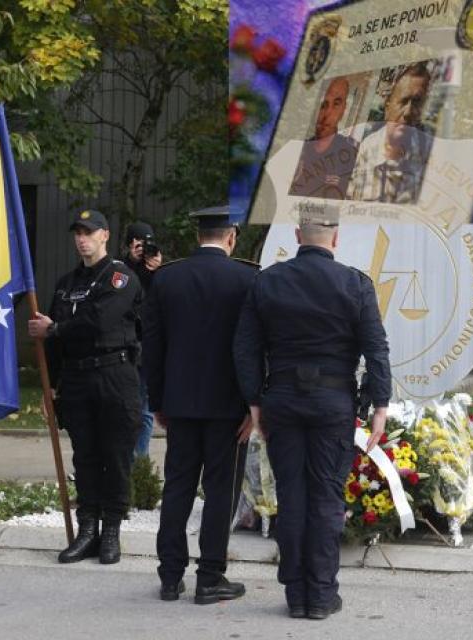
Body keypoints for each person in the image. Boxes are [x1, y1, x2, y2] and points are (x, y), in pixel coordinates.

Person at [233, 206, 391, 620]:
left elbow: (246, 348)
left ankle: (296, 593)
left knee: (291, 494)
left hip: (282, 400)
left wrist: (254, 402)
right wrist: (380, 405)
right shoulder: (355, 284)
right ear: (335, 238)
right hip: (332, 402)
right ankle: (320, 594)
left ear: (297, 236)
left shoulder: (268, 281)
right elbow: (376, 349)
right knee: (325, 496)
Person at [141, 206, 257, 604]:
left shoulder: (166, 278)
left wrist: (158, 400)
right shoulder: (248, 279)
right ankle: (210, 576)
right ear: (231, 237)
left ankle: (170, 576)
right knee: (220, 491)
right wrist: (253, 404)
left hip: (180, 404)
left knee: (178, 487)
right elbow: (254, 349)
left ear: (198, 236)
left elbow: (152, 346)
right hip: (229, 407)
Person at [28, 209, 142, 565]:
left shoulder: (120, 276)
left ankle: (111, 533)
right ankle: (87, 531)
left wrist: (56, 328)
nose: (82, 239)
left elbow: (100, 319)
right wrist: (50, 386)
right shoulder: (66, 284)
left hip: (114, 375)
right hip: (76, 380)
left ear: (105, 235)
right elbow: (53, 344)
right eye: (78, 233)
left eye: (89, 232)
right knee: (86, 457)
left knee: (116, 457)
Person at [348, 63, 433, 204]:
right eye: (403, 101)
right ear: (388, 106)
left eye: (417, 102)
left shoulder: (430, 154)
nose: (408, 112)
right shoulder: (365, 150)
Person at [122, 221, 163, 458]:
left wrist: (157, 270)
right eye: (137, 243)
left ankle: (141, 461)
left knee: (145, 408)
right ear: (129, 244)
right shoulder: (121, 269)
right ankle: (126, 459)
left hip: (148, 345)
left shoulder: (158, 271)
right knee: (126, 405)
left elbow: (162, 298)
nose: (142, 248)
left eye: (147, 243)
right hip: (125, 344)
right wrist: (134, 263)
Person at [289, 77, 359, 200]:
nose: (327, 113)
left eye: (336, 104)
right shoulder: (299, 149)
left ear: (343, 110)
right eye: (324, 105)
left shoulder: (351, 154)